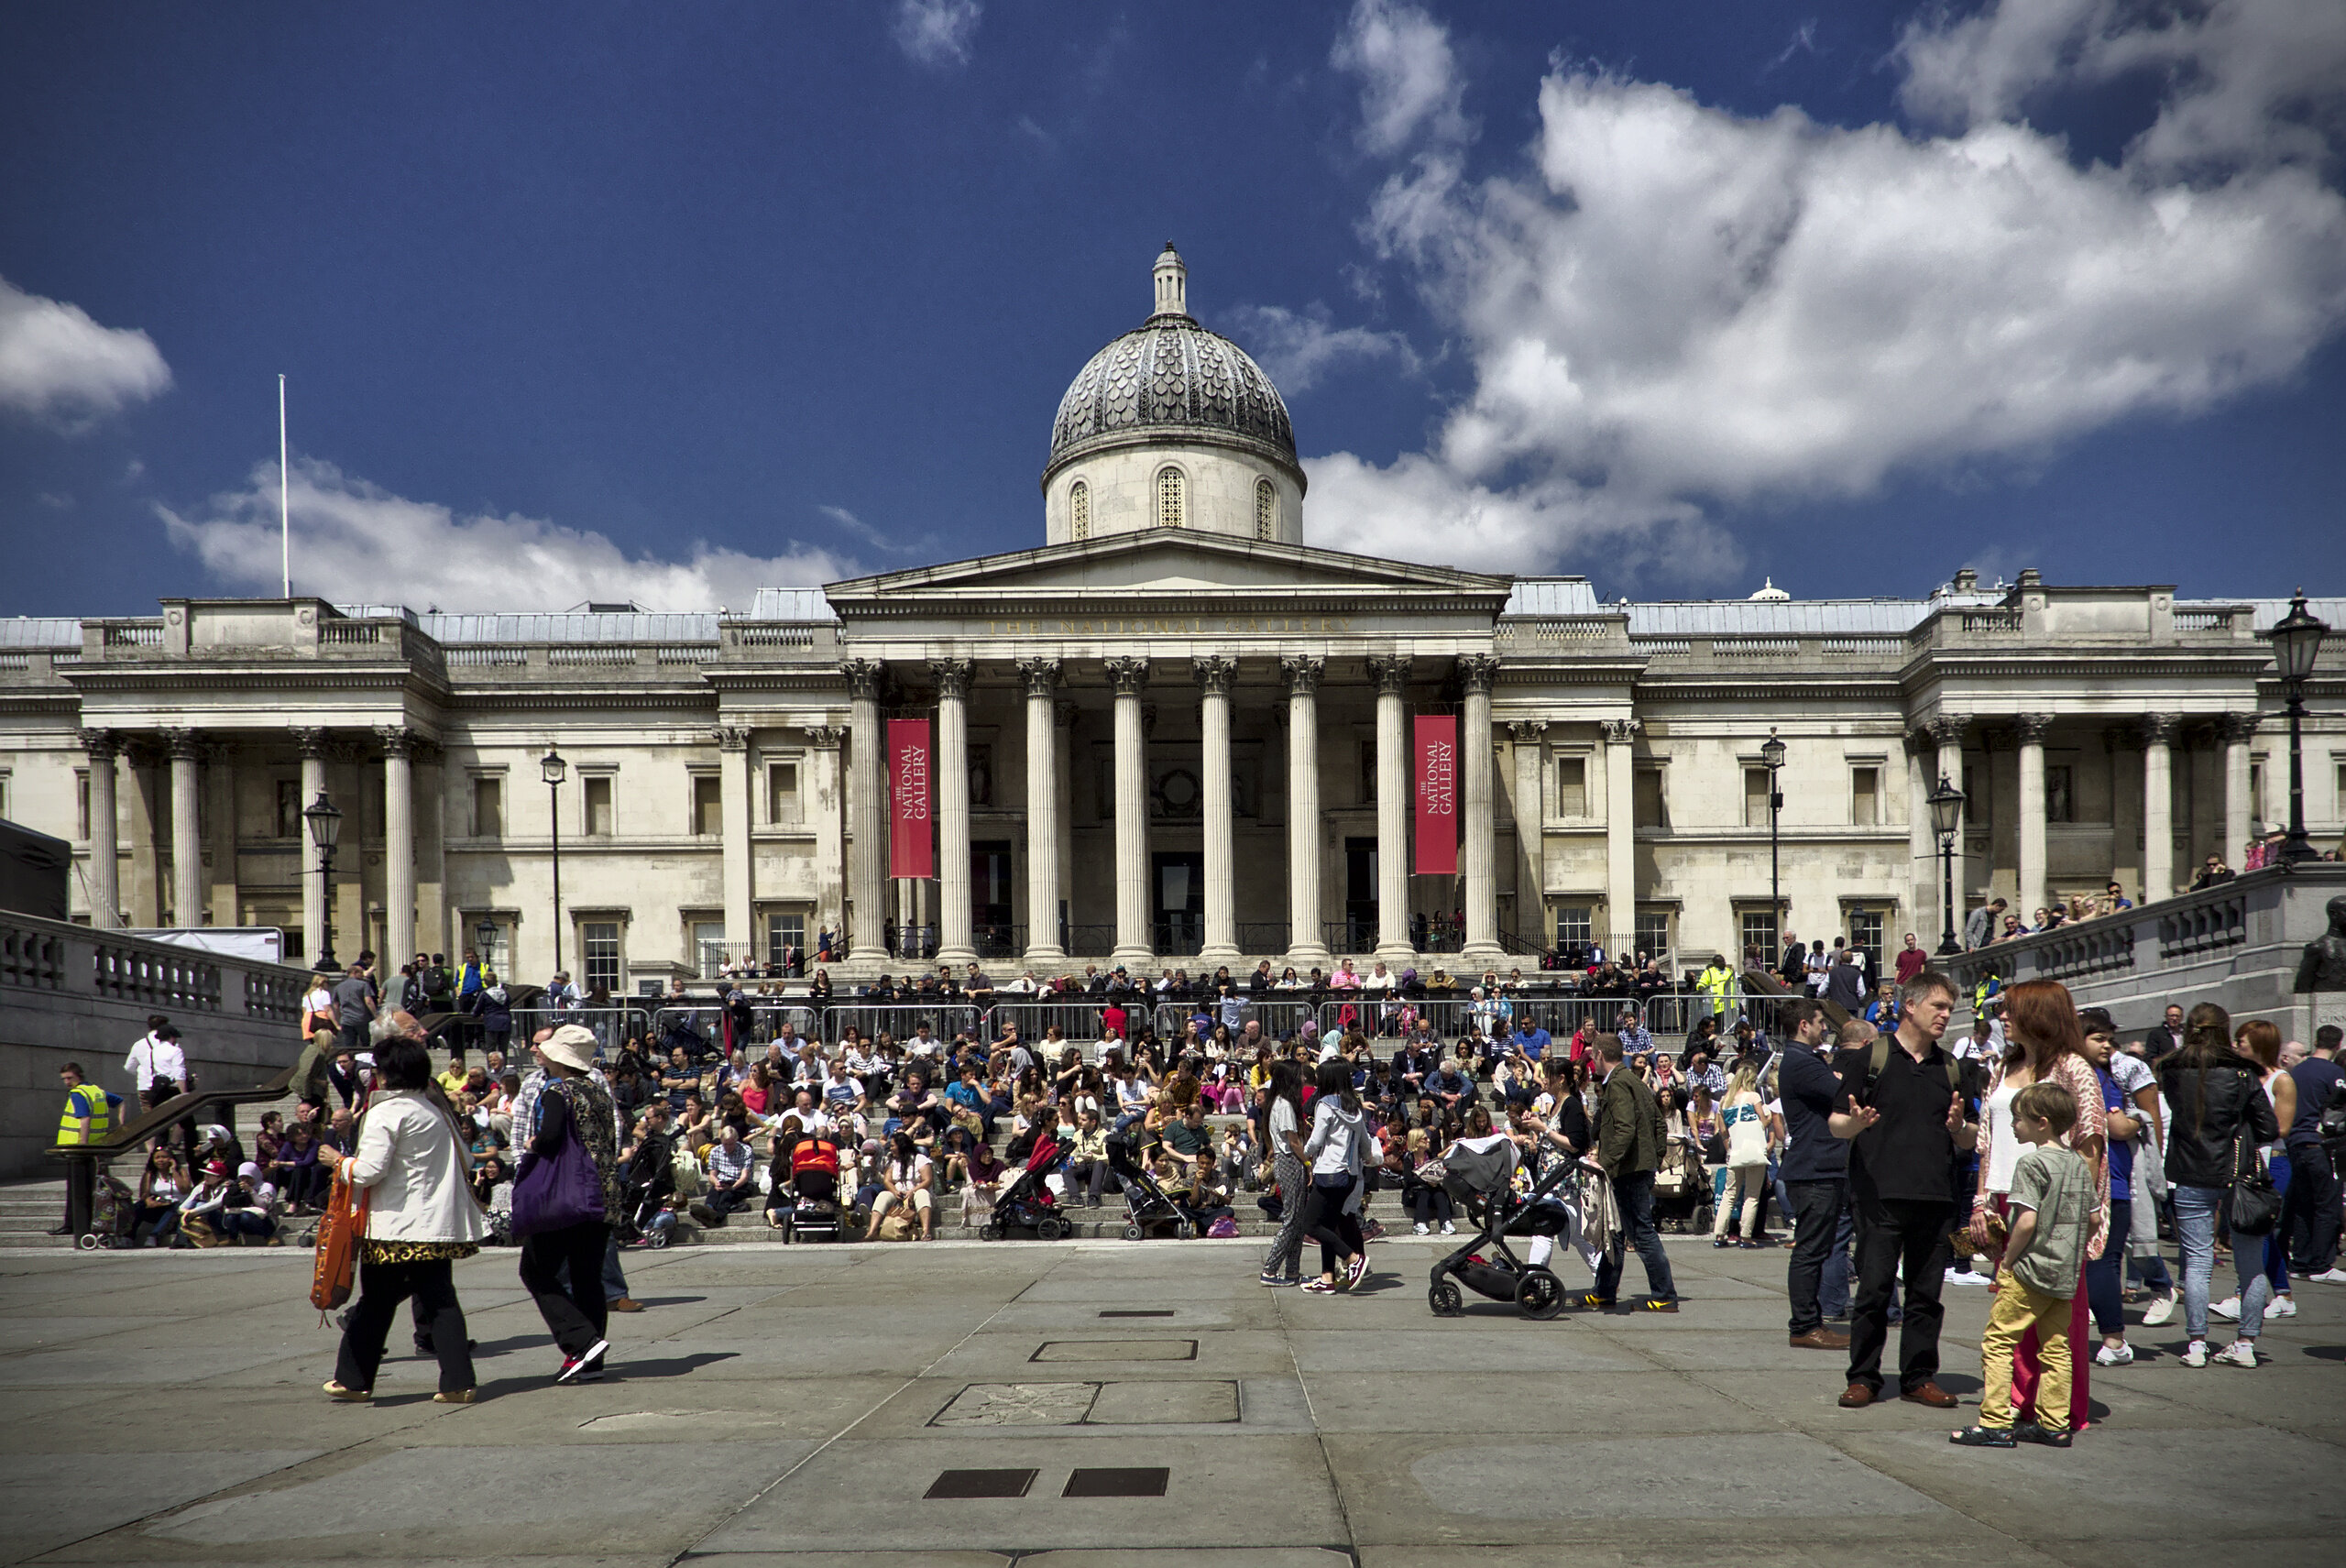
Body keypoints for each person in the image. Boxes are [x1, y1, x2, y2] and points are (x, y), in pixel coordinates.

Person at [1965, 980, 2107, 1434]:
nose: (2001, 1018)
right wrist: (1981, 1200)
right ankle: (2015, 1404)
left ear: (2038, 1015)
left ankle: (2054, 1412)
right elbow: (1989, 1139)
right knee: (2010, 1309)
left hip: (2052, 1202)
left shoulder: (2073, 1068)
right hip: (2005, 1193)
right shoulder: (2003, 1064)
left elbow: (2090, 1144)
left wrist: (2078, 1212)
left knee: (2053, 1320)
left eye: (2010, 1011)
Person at [1831, 969, 1975, 1409]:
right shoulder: (1870, 1059)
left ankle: (1918, 1376)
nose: (1946, 1015)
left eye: (1949, 1008)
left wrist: (1958, 1129)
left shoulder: (1953, 1068)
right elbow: (1836, 1124)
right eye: (1939, 1006)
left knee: (1926, 1295)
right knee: (1873, 1291)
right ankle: (1864, 1377)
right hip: (1879, 1197)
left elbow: (1970, 1137)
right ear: (1909, 1006)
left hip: (1937, 1198)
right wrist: (1855, 1124)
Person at [318, 1034, 487, 1403]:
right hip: (436, 1224)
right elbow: (468, 1159)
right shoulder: (433, 1110)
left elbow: (368, 1172)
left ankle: (354, 1378)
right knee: (441, 1302)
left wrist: (338, 1161)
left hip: (394, 1225)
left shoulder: (385, 1113)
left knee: (376, 1303)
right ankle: (459, 1381)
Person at [1951, 1080, 2092, 1448]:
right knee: (2057, 1346)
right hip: (2064, 1272)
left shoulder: (2030, 1163)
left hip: (2029, 1270)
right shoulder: (2078, 1163)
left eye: (2018, 1119)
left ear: (2041, 1123)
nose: (2013, 1126)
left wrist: (2007, 1261)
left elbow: (2026, 1221)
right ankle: (2054, 1422)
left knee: (1998, 1341)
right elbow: (2093, 1218)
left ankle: (1995, 1422)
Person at [2157, 1003, 2280, 1369]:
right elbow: (2269, 1128)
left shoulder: (2173, 1069)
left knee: (2196, 1261)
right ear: (2224, 1030)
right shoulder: (2242, 1072)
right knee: (2249, 1262)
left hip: (2190, 1170)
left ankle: (2197, 1343)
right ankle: (2245, 1342)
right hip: (2237, 1172)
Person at [517, 1024, 622, 1384]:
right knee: (587, 1278)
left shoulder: (557, 1092)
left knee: (536, 1271)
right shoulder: (598, 1092)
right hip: (602, 1195)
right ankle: (590, 1362)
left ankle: (581, 1342)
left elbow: (549, 1140)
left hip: (567, 1198)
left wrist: (532, 1144)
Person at [2210, 1020, 2298, 1331]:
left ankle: (2244, 1294)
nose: (2236, 1046)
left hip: (2271, 1161)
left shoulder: (2281, 1080)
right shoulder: (2241, 1076)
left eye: (2242, 1041)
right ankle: (2284, 1295)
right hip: (2246, 1160)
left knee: (2255, 1228)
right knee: (2262, 1231)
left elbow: (2282, 1128)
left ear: (2260, 1044)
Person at [1585, 1033, 1679, 1311]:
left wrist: (1607, 1162)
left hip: (1628, 1170)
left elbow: (1625, 1129)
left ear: (1601, 1055)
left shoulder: (1617, 1085)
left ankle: (1665, 1296)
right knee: (1615, 1232)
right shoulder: (1635, 1082)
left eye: (1593, 1055)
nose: (1592, 1059)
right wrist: (1656, 1158)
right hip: (1638, 1166)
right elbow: (1658, 1124)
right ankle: (1604, 1291)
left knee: (1641, 1233)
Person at [1775, 1001, 1850, 1349]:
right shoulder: (1801, 1061)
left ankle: (1811, 1320)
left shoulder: (1805, 1060)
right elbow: (1845, 1092)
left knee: (1816, 1248)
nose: (1825, 1028)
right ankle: (1805, 1325)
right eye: (1820, 1023)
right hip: (1814, 1168)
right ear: (1804, 1025)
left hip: (1818, 1165)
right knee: (1810, 1250)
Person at [1299, 1058, 1370, 1294]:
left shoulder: (1325, 1105)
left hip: (1328, 1172)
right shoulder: (1355, 1106)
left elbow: (1317, 1140)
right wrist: (1366, 1158)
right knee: (1328, 1225)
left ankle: (1353, 1259)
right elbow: (1365, 1142)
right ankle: (1327, 1277)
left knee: (1310, 1223)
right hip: (1349, 1175)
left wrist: (1302, 1154)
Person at [2284, 1025, 2344, 1283]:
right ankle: (2321, 1264)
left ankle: (2300, 1261)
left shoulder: (2297, 1071)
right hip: (2321, 1146)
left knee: (2303, 1204)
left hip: (2295, 1145)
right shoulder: (2335, 1073)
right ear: (2337, 1044)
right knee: (2327, 1205)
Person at [49, 1063, 124, 1235]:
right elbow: (120, 1102)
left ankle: (72, 1225)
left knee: (76, 1190)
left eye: (70, 1078)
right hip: (95, 1148)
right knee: (88, 1188)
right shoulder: (96, 1091)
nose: (67, 1082)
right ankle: (84, 1223)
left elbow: (85, 1118)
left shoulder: (78, 1093)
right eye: (64, 1079)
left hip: (78, 1150)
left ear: (79, 1076)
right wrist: (121, 1124)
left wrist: (82, 1144)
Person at [1258, 1060, 1310, 1288]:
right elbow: (1293, 1141)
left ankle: (1293, 1272)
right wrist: (1307, 1162)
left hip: (1287, 1162)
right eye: (1299, 1075)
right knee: (1291, 1220)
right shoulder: (1285, 1105)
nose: (1302, 1079)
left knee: (1298, 1220)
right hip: (1289, 1161)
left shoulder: (1278, 1103)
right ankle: (1270, 1270)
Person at [1712, 1060, 1770, 1249]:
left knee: (1729, 1194)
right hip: (1753, 1150)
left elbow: (1722, 1130)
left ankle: (1720, 1234)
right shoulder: (1753, 1096)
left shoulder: (1724, 1100)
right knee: (1751, 1195)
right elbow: (1764, 1122)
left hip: (1734, 1151)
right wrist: (1769, 1116)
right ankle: (1746, 1236)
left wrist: (1730, 1144)